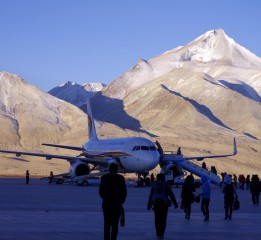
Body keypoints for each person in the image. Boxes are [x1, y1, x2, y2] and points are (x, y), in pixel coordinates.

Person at [99, 163, 127, 240]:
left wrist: (105, 198)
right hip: (117, 205)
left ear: (109, 169)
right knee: (115, 224)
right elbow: (124, 192)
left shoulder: (104, 177)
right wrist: (121, 201)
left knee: (107, 224)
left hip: (106, 204)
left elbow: (101, 191)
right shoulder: (121, 178)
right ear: (117, 169)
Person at [147, 173, 178, 240]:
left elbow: (151, 195)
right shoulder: (165, 184)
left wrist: (149, 205)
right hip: (164, 205)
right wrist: (175, 203)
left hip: (156, 204)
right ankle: (162, 234)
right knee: (163, 219)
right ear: (163, 178)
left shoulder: (154, 184)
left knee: (157, 219)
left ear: (157, 178)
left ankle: (158, 233)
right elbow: (171, 194)